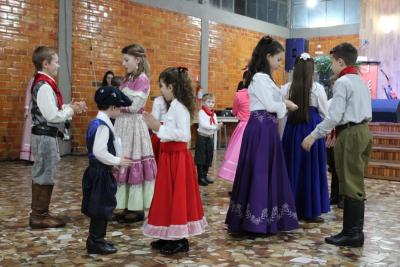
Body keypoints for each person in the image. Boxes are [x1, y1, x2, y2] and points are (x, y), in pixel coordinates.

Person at [225, 36, 299, 234]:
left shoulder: (265, 78)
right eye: (278, 59)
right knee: (259, 172)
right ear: (268, 56)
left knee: (265, 171)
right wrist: (286, 105)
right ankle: (255, 220)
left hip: (266, 128)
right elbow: (270, 105)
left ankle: (264, 218)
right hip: (260, 128)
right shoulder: (259, 77)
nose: (279, 64)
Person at [302, 43, 372, 247]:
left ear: (340, 61)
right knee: (355, 181)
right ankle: (354, 231)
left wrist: (313, 136)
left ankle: (352, 234)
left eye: (332, 61)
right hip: (364, 131)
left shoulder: (343, 82)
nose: (331, 66)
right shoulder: (359, 80)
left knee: (349, 183)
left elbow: (335, 116)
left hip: (349, 134)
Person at [142, 67, 207, 255]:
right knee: (166, 197)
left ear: (171, 87)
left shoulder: (180, 107)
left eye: (162, 86)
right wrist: (156, 126)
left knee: (177, 197)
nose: (160, 90)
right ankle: (167, 235)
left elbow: (184, 135)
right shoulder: (173, 106)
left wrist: (158, 128)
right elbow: (169, 130)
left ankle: (179, 239)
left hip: (177, 159)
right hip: (169, 157)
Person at [29, 46, 87, 229]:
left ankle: (41, 212)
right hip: (45, 137)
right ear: (45, 64)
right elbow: (51, 117)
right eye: (56, 62)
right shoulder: (44, 86)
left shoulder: (44, 83)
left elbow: (52, 111)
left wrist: (69, 107)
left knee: (45, 172)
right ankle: (39, 216)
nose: (59, 65)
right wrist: (71, 110)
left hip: (45, 135)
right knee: (45, 174)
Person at [82, 86, 133, 254]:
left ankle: (98, 239)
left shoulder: (98, 122)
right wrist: (117, 160)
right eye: (119, 107)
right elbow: (99, 151)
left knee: (101, 205)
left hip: (99, 171)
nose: (120, 110)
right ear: (112, 107)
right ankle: (95, 242)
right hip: (100, 173)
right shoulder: (103, 125)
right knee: (100, 207)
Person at [281, 53, 330, 222]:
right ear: (312, 70)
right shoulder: (318, 88)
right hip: (312, 129)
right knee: (312, 169)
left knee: (292, 166)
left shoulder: (286, 88)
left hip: (293, 130)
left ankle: (290, 206)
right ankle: (311, 209)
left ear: (295, 69)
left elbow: (282, 111)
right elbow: (325, 114)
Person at [113, 44, 157, 223]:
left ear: (137, 60)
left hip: (133, 127)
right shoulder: (127, 79)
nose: (123, 63)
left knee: (132, 161)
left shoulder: (142, 79)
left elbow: (134, 106)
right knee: (121, 161)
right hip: (122, 125)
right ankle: (122, 204)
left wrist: (115, 106)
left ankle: (136, 208)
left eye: (126, 60)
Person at [218, 71, 250, 182]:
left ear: (244, 80)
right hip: (255, 127)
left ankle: (238, 185)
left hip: (242, 127)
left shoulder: (239, 94)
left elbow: (235, 111)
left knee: (237, 155)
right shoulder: (258, 94)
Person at [194, 93, 222, 186]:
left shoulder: (213, 114)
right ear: (203, 102)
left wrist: (218, 126)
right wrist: (215, 127)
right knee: (201, 158)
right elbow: (203, 125)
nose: (211, 104)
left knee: (208, 157)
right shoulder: (201, 112)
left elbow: (215, 124)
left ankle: (205, 175)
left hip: (210, 138)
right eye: (209, 102)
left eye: (213, 102)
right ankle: (200, 177)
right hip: (202, 137)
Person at [150, 95, 169, 163]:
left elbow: (155, 118)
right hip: (172, 132)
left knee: (158, 160)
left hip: (160, 131)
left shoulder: (159, 100)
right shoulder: (179, 99)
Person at [20, 77, 34, 162]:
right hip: (33, 109)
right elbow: (29, 93)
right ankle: (27, 156)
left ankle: (36, 157)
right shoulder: (33, 80)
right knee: (29, 132)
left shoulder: (48, 80)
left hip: (42, 110)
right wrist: (26, 109)